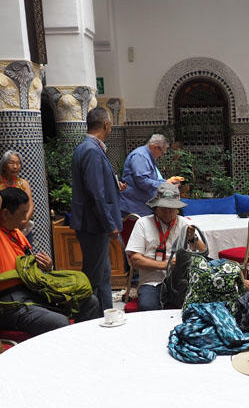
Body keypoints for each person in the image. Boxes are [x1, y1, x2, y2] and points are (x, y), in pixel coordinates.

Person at [0, 187, 100, 335]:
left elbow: (28, 270)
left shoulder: (16, 232)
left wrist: (46, 267)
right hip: (6, 303)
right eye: (23, 213)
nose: (26, 218)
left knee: (90, 302)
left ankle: (83, 346)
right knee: (59, 322)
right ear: (4, 213)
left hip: (31, 293)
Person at [70, 107, 123, 311]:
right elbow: (95, 193)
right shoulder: (91, 150)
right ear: (106, 125)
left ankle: (106, 315)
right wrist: (109, 224)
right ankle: (87, 319)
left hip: (93, 223)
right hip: (94, 224)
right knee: (93, 277)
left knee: (103, 274)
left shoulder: (88, 148)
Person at [126, 183, 206, 311]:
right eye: (164, 208)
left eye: (172, 208)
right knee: (148, 306)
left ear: (177, 209)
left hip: (180, 281)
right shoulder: (143, 223)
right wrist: (167, 265)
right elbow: (135, 259)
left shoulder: (185, 223)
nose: (168, 212)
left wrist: (193, 238)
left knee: (194, 307)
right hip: (152, 281)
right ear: (156, 207)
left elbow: (204, 253)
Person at [120, 134, 183, 217]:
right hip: (133, 206)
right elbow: (142, 182)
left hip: (142, 204)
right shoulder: (140, 156)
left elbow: (153, 179)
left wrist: (168, 183)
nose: (161, 155)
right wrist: (164, 184)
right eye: (162, 152)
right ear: (155, 147)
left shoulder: (148, 156)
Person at [0, 150, 34, 238]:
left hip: (22, 227)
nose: (15, 166)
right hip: (3, 228)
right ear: (4, 166)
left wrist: (24, 221)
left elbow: (30, 205)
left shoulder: (24, 183)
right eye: (11, 163)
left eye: (18, 163)